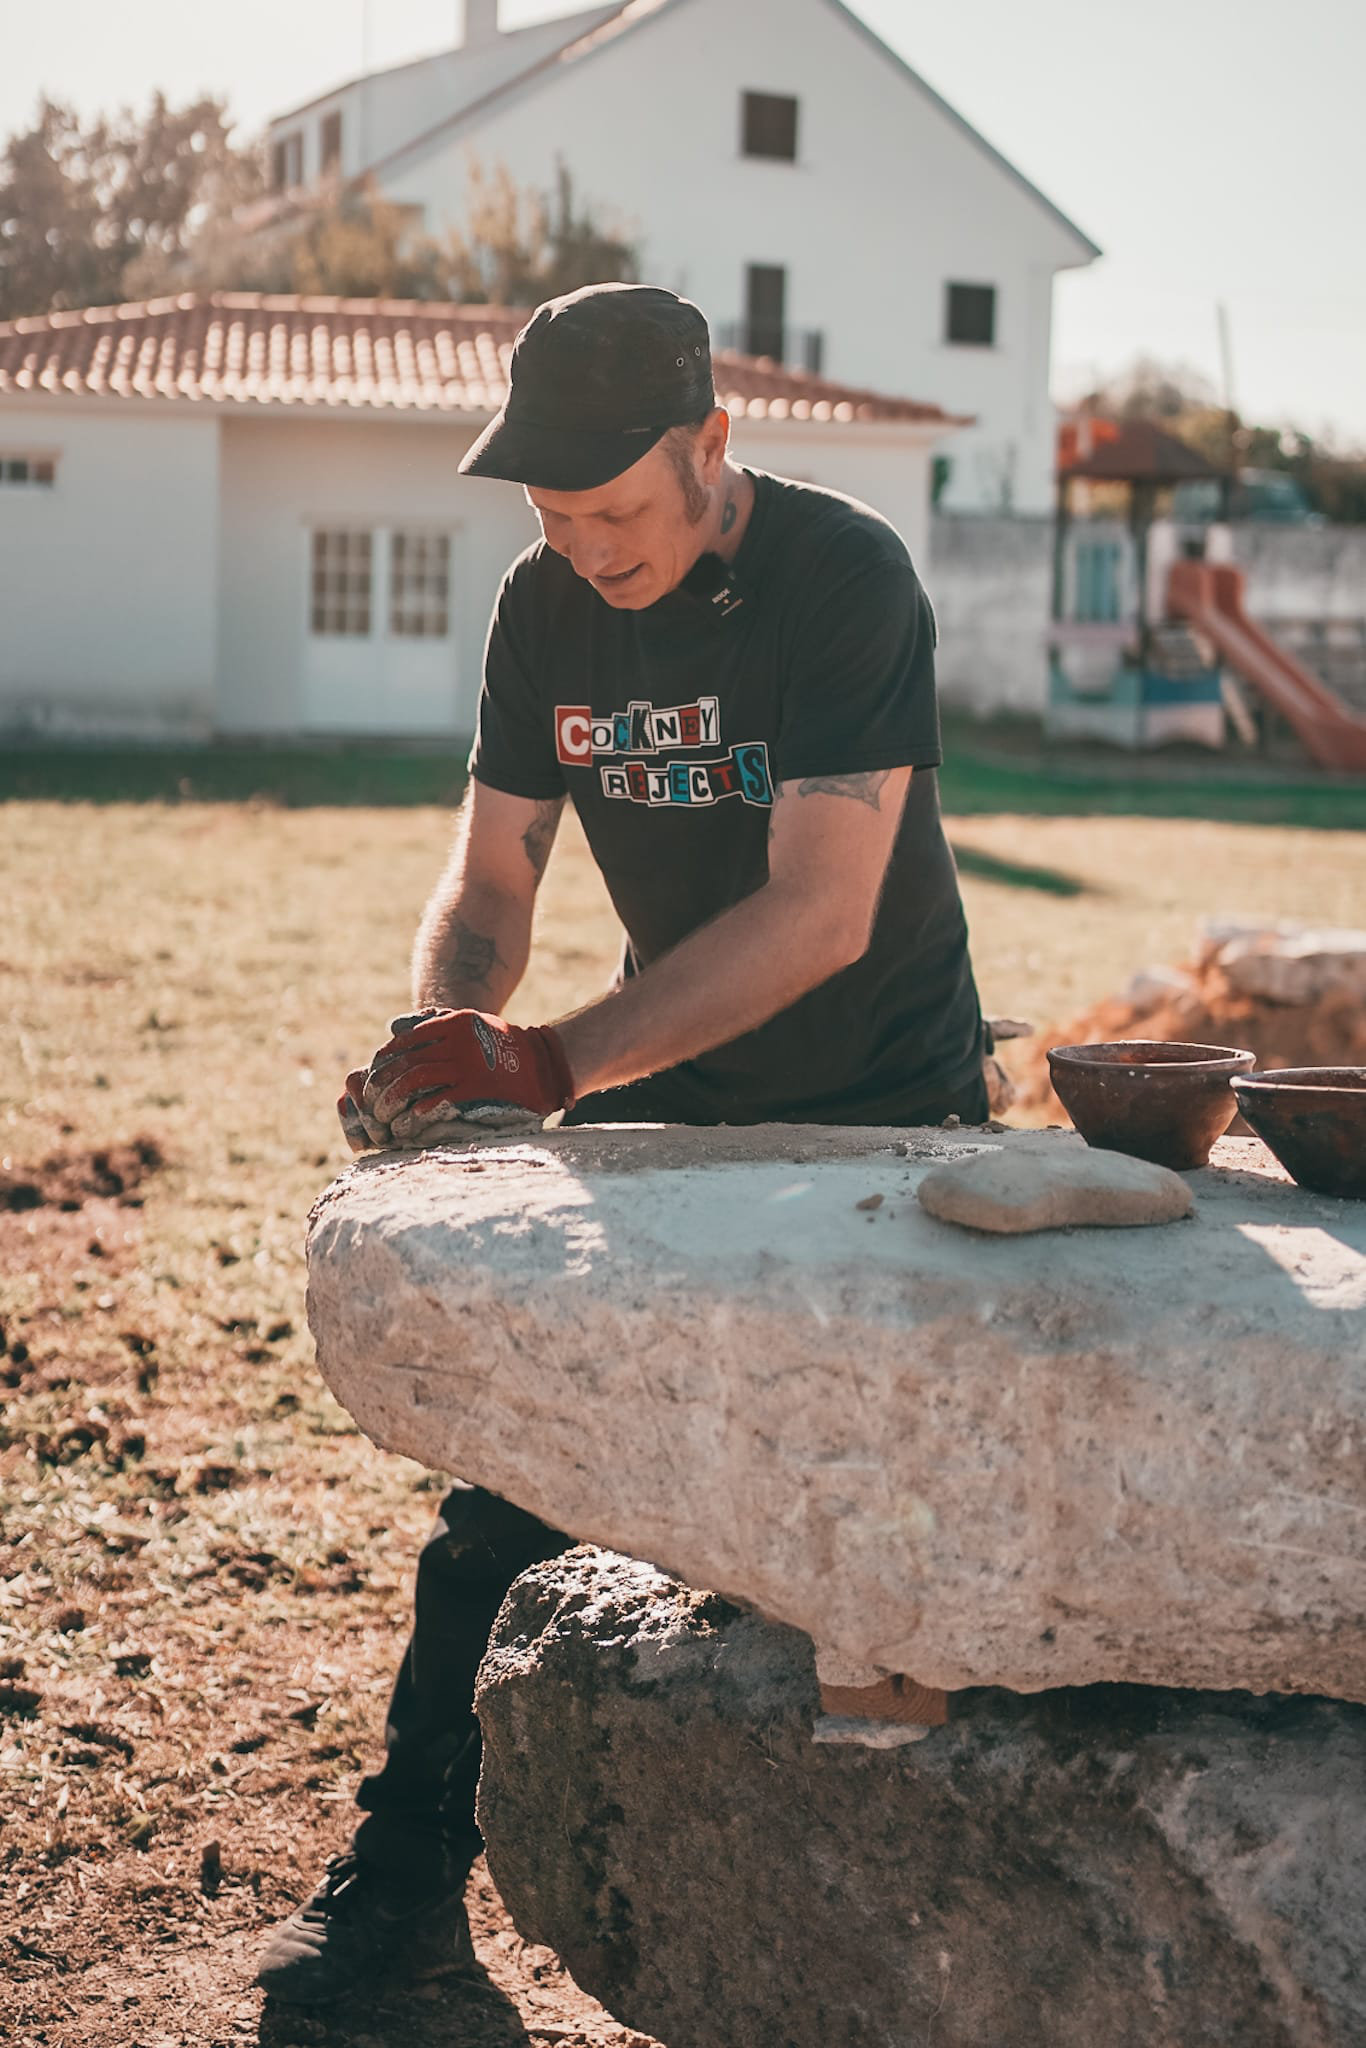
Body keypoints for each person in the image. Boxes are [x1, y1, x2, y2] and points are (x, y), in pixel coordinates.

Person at [257, 283, 988, 2006]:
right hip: (664, 1092)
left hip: (879, 1107)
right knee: (507, 1485)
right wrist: (449, 1028)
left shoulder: (842, 575)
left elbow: (818, 912)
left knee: (856, 1537)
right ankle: (402, 1889)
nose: (583, 549)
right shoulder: (542, 607)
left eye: (613, 511)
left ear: (710, 448)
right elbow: (493, 876)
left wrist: (552, 1059)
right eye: (550, 514)